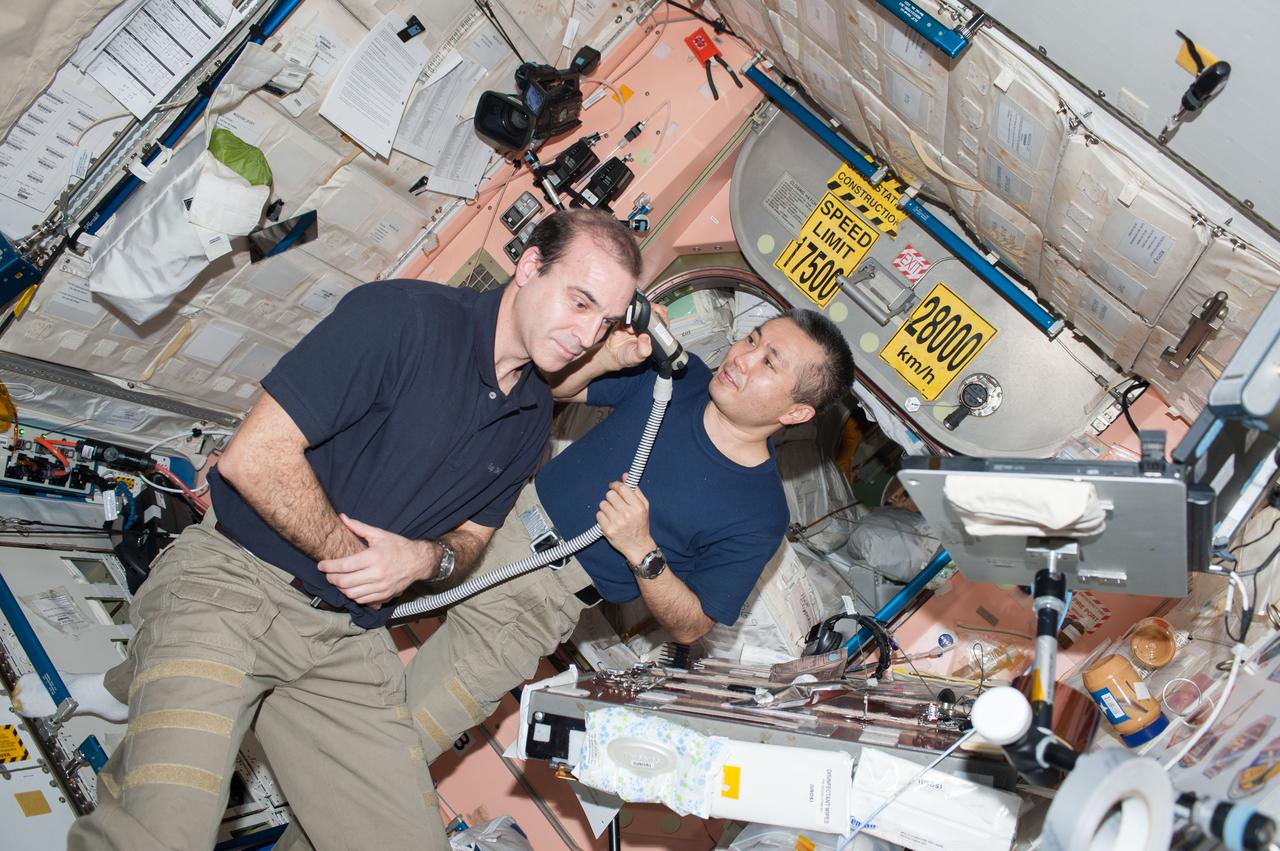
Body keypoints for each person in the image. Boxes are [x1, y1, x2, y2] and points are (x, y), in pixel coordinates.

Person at [59, 209, 642, 850]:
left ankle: (138, 693)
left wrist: (423, 561)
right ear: (529, 267)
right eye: (579, 301)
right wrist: (361, 560)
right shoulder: (401, 318)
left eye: (606, 321)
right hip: (233, 586)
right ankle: (138, 692)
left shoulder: (532, 414)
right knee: (161, 834)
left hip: (344, 641)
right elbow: (255, 457)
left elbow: (473, 540)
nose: (588, 336)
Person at [405, 307, 856, 762]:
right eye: (752, 341)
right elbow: (553, 386)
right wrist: (608, 358)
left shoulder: (760, 513)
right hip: (485, 520)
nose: (742, 357)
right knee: (339, 610)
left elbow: (694, 624)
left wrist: (642, 550)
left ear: (797, 411)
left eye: (769, 362)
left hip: (535, 607)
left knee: (400, 743)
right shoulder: (679, 377)